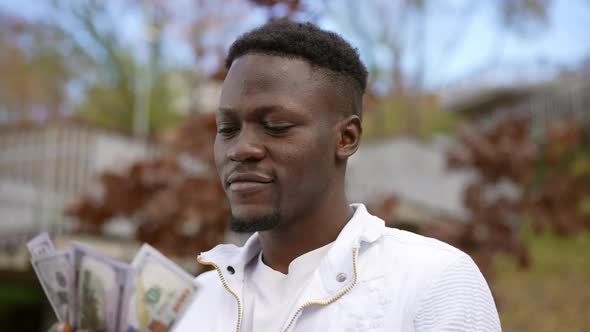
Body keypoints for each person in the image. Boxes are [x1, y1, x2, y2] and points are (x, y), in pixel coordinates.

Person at [172, 21, 501, 332]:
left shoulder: (432, 281)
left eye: (276, 126)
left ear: (346, 138)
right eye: (228, 129)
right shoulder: (192, 303)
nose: (241, 149)